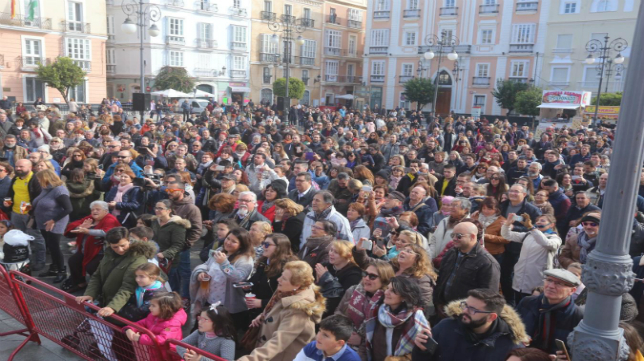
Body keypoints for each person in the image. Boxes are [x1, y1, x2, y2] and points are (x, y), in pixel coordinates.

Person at [238, 260, 326, 361]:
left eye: (284, 278)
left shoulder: (299, 310)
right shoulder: (287, 290)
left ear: (297, 285)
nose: (278, 280)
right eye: (281, 275)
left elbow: (279, 342)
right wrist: (263, 316)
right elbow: (274, 309)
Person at [414, 288, 527, 360]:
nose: (464, 311)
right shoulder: (445, 327)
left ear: (491, 317)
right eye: (465, 305)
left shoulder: (510, 346)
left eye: (473, 310)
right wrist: (421, 350)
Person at [75, 227, 157, 318]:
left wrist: (112, 307)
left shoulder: (138, 259)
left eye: (123, 245)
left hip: (122, 306)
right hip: (105, 301)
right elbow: (97, 275)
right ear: (109, 244)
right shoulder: (109, 253)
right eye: (115, 247)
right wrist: (90, 294)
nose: (120, 250)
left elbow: (128, 287)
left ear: (129, 240)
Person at [191, 227, 254, 330]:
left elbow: (238, 278)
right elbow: (207, 265)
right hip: (210, 299)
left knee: (222, 333)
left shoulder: (245, 260)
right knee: (200, 330)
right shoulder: (220, 250)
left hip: (228, 307)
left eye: (233, 241)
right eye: (228, 238)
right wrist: (201, 273)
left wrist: (224, 263)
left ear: (242, 245)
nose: (228, 242)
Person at [434, 221, 501, 317]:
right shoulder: (451, 253)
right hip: (442, 311)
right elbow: (441, 279)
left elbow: (488, 296)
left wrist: (467, 313)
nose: (454, 239)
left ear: (472, 237)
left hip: (465, 315)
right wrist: (437, 302)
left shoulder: (487, 263)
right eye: (453, 235)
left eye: (459, 236)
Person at [516, 269, 584, 354]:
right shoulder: (527, 303)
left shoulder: (578, 316)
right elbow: (512, 330)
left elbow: (579, 352)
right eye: (549, 280)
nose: (551, 286)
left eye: (559, 283)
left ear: (572, 291)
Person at [502, 213, 562, 305]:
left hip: (537, 281)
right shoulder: (528, 235)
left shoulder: (555, 239)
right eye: (537, 220)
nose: (538, 222)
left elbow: (545, 243)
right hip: (520, 279)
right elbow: (507, 235)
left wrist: (532, 228)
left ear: (551, 225)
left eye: (542, 221)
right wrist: (507, 223)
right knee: (519, 307)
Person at [365, 276, 430, 361]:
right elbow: (366, 341)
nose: (386, 293)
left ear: (404, 297)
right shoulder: (376, 311)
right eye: (387, 288)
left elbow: (424, 352)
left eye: (393, 291)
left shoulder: (416, 318)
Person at [63, 201, 121, 293]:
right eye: (92, 209)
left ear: (105, 211)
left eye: (98, 209)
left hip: (102, 251)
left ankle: (100, 288)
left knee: (91, 267)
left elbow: (107, 232)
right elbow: (74, 225)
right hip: (86, 250)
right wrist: (79, 227)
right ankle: (81, 283)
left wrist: (87, 231)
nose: (94, 211)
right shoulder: (90, 218)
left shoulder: (110, 219)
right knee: (73, 261)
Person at [3, 159, 46, 271]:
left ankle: (40, 261)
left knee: (36, 238)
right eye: (17, 166)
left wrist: (31, 212)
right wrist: (7, 202)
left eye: (21, 167)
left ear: (30, 167)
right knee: (19, 238)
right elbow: (10, 193)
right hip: (16, 213)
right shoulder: (16, 178)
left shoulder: (35, 179)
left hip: (30, 215)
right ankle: (25, 259)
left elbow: (39, 198)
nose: (18, 168)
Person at [32, 169, 72, 283]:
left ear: (46, 178)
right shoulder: (47, 188)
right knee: (49, 245)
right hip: (44, 222)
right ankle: (54, 268)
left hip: (55, 222)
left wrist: (53, 220)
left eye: (39, 179)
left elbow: (68, 209)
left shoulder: (59, 190)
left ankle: (61, 271)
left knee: (54, 247)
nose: (38, 181)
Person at [246, 233, 298, 321]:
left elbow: (287, 296)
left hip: (275, 315)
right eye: (263, 243)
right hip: (258, 312)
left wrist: (262, 303)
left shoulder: (287, 268)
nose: (263, 247)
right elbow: (255, 280)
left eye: (267, 245)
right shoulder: (264, 262)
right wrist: (247, 286)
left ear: (279, 248)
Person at [123, 292, 188, 357]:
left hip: (169, 356)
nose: (149, 308)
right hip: (156, 353)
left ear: (164, 308)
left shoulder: (173, 323)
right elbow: (141, 323)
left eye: (153, 306)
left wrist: (140, 338)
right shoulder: (153, 316)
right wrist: (129, 328)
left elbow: (163, 339)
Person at [316, 240, 362, 317]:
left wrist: (326, 278)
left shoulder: (354, 274)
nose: (331, 254)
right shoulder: (325, 266)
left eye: (336, 252)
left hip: (334, 313)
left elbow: (342, 297)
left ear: (348, 255)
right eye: (331, 250)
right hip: (319, 305)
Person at [150, 199, 190, 281]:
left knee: (170, 284)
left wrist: (165, 254)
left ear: (169, 210)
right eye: (156, 208)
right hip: (154, 258)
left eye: (160, 208)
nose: (157, 210)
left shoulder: (177, 225)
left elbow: (178, 245)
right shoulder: (155, 221)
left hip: (169, 261)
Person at [293, 314, 362, 361]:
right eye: (319, 331)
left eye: (325, 335)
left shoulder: (351, 359)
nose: (318, 336)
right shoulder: (311, 347)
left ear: (339, 343)